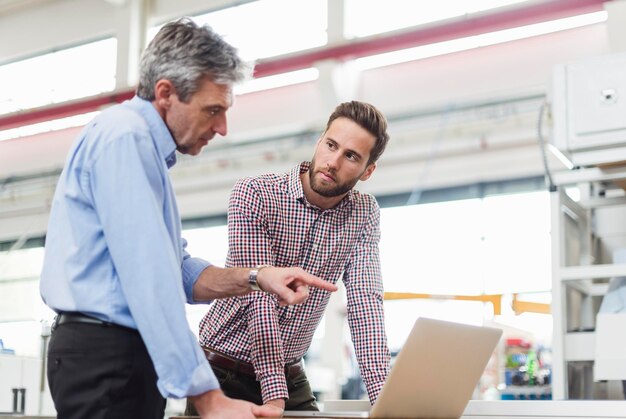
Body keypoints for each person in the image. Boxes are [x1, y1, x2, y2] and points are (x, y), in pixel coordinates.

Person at [39, 18, 336, 419]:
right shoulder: (125, 139)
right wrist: (210, 399)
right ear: (166, 93)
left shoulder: (143, 151)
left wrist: (257, 277)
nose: (223, 128)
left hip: (123, 357)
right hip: (104, 356)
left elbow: (177, 271)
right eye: (213, 110)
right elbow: (150, 280)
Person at [186, 100, 392, 416]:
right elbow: (261, 299)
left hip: (290, 373)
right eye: (331, 145)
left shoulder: (363, 214)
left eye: (351, 156)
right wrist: (274, 398)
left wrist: (388, 402)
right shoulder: (255, 194)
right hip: (222, 372)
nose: (333, 161)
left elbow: (366, 305)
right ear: (319, 140)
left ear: (368, 171)